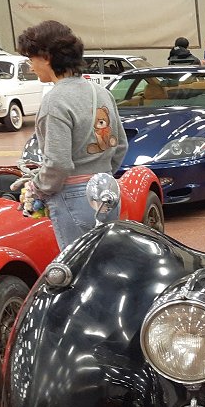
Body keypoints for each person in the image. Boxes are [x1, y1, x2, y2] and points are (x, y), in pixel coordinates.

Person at [16, 20, 128, 250]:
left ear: (46, 57)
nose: (31, 66)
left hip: (74, 197)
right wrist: (99, 173)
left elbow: (58, 163)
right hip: (107, 189)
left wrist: (37, 187)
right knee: (105, 260)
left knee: (79, 269)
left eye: (31, 59)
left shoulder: (55, 100)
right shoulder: (101, 92)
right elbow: (120, 146)